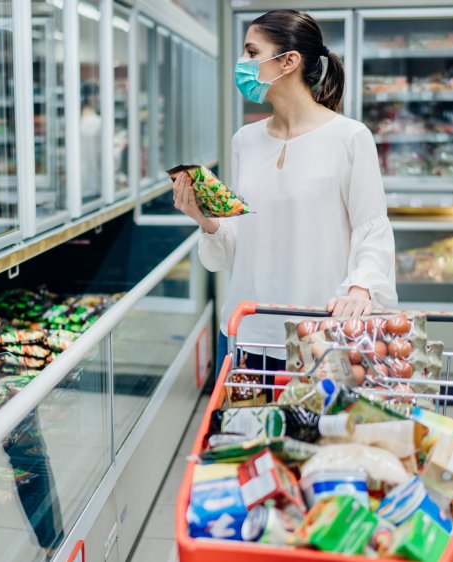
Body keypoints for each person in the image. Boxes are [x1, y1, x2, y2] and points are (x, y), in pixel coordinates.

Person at [172, 10, 397, 380]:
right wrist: (203, 217)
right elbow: (239, 242)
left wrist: (360, 289)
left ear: (288, 61)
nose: (241, 64)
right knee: (245, 438)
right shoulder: (245, 140)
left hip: (320, 337)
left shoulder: (349, 138)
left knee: (312, 436)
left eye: (251, 52)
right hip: (247, 332)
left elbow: (371, 228)